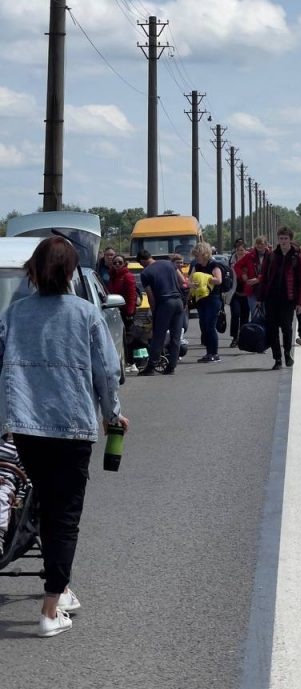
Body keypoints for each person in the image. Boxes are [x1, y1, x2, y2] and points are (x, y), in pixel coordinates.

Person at [0, 236, 128, 637]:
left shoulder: (14, 314)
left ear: (34, 272)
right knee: (65, 515)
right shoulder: (86, 314)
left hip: (25, 427)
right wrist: (113, 415)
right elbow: (106, 372)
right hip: (72, 427)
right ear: (72, 272)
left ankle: (63, 588)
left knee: (46, 502)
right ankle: (50, 609)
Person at [258, 226, 301, 370]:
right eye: (281, 238)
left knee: (286, 328)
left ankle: (287, 353)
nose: (283, 241)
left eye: (286, 239)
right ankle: (277, 359)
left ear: (290, 240)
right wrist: (260, 299)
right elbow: (264, 279)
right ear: (278, 239)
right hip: (271, 298)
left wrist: (300, 302)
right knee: (272, 329)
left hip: (288, 298)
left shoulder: (297, 257)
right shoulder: (272, 256)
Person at [138, 250, 184, 376]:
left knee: (158, 336)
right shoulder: (169, 264)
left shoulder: (146, 273)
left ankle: (152, 366)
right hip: (178, 302)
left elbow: (150, 295)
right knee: (176, 337)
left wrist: (154, 312)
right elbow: (182, 281)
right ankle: (171, 366)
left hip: (165, 303)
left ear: (142, 261)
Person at [190, 242, 223, 363]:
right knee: (204, 326)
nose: (196, 258)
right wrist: (192, 284)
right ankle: (209, 353)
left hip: (213, 299)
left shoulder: (213, 265)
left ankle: (214, 353)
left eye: (197, 255)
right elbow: (189, 280)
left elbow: (218, 280)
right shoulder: (196, 266)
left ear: (204, 254)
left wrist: (205, 278)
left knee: (210, 326)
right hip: (200, 299)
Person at [108, 254, 138, 372]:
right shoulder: (112, 276)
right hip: (115, 311)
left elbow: (132, 295)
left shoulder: (127, 276)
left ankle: (131, 362)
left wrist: (130, 312)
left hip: (126, 311)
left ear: (124, 263)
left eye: (120, 262)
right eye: (115, 262)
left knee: (128, 338)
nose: (117, 264)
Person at [234, 236, 269, 318]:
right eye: (257, 244)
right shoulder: (250, 256)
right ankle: (255, 330)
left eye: (262, 244)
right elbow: (237, 266)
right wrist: (242, 274)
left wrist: (258, 279)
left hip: (266, 290)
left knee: (266, 316)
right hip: (252, 290)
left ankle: (265, 331)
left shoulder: (271, 256)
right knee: (255, 315)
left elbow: (272, 273)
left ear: (266, 245)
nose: (259, 246)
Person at [229, 238, 249, 347]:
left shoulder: (250, 260)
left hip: (247, 292)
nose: (240, 252)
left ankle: (243, 337)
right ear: (235, 250)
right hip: (234, 292)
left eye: (242, 250)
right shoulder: (231, 261)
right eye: (238, 250)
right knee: (235, 314)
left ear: (245, 250)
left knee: (245, 316)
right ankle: (234, 337)